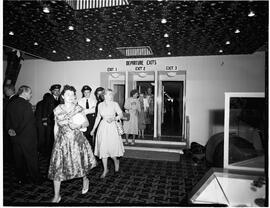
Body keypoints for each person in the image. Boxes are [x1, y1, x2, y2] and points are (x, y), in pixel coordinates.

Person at [48, 85, 96, 203]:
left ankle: (85, 179)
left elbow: (86, 123)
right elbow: (56, 126)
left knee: (80, 165)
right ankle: (56, 196)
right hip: (61, 142)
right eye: (68, 94)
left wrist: (78, 126)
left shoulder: (78, 108)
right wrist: (55, 141)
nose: (70, 97)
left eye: (72, 95)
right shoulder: (57, 109)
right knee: (57, 169)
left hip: (77, 141)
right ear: (63, 96)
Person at [6, 85, 43, 184]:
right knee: (32, 159)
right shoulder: (26, 105)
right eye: (30, 93)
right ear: (24, 92)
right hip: (27, 138)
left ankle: (21, 179)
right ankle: (36, 179)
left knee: (18, 159)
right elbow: (26, 122)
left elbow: (7, 120)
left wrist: (10, 130)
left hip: (14, 137)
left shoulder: (11, 103)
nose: (31, 95)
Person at [90, 89, 124, 178]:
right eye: (109, 94)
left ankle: (116, 161)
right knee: (103, 148)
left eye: (112, 94)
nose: (111, 96)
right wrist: (93, 129)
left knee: (112, 150)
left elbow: (121, 115)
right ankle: (105, 169)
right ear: (104, 96)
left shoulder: (115, 104)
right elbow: (98, 117)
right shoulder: (100, 105)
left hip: (112, 127)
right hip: (102, 127)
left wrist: (113, 118)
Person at [42, 84, 61, 156]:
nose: (57, 92)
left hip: (59, 121)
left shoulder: (61, 99)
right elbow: (44, 110)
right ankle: (50, 153)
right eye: (55, 91)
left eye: (58, 90)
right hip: (50, 121)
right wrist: (44, 121)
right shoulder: (48, 99)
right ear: (52, 91)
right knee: (50, 137)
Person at [3, 84, 17, 163]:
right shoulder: (14, 99)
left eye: (6, 90)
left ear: (10, 90)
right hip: (11, 126)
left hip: (11, 126)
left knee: (9, 145)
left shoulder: (12, 100)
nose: (5, 92)